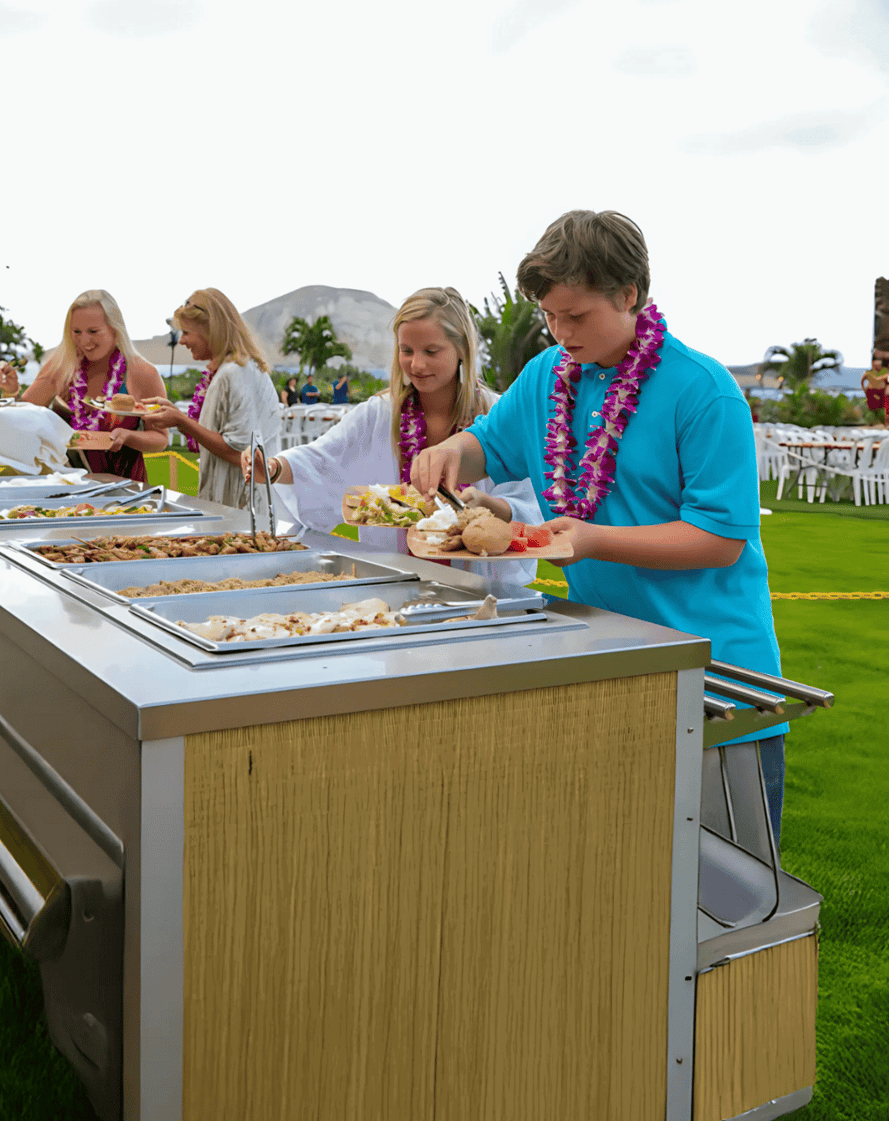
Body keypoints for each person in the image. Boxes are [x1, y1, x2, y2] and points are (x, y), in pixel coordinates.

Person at [409, 212, 789, 842]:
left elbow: (721, 541)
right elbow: (488, 446)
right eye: (550, 317)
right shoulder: (546, 375)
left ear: (629, 294)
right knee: (618, 886)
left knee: (729, 899)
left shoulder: (705, 392)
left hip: (717, 678)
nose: (560, 332)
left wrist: (588, 539)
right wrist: (453, 451)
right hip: (607, 664)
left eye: (576, 317)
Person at [241, 287, 542, 583]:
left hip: (478, 585)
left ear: (462, 348)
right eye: (406, 351)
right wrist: (273, 468)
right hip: (394, 579)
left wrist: (485, 506)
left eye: (431, 351)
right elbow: (322, 458)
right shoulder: (378, 414)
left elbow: (531, 506)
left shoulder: (499, 416)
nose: (417, 364)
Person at [0, 290, 167, 480]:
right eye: (76, 332)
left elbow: (160, 439)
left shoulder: (141, 372)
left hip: (124, 490)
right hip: (64, 489)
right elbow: (24, 419)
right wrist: (10, 391)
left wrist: (128, 436)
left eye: (93, 331)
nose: (84, 341)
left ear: (115, 329)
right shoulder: (59, 366)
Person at [138, 289, 280, 512]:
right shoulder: (232, 369)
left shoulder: (234, 372)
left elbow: (242, 455)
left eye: (186, 332)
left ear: (211, 332)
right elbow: (219, 435)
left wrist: (181, 422)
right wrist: (177, 417)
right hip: (232, 504)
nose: (182, 341)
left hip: (243, 507)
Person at [861, 352, 888, 419]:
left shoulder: (885, 372)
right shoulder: (869, 373)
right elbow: (862, 381)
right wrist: (864, 389)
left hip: (882, 394)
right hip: (874, 394)